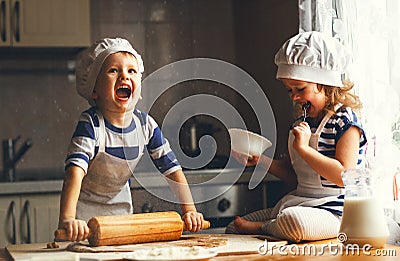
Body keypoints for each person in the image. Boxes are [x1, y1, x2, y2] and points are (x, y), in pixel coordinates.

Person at [225, 31, 367, 242]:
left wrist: (305, 149)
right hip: (302, 203)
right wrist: (260, 160)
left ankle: (265, 227)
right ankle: (271, 225)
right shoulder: (302, 122)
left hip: (337, 212)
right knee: (232, 228)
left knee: (294, 223)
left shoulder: (344, 121)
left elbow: (343, 176)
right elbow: (295, 175)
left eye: (300, 88)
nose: (294, 97)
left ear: (324, 83)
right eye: (289, 90)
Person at [58, 38, 204, 242]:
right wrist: (68, 219)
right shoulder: (91, 125)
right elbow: (74, 173)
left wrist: (189, 210)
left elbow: (172, 170)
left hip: (121, 219)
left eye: (131, 71)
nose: (124, 76)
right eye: (113, 71)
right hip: (82, 220)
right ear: (94, 90)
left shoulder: (146, 125)